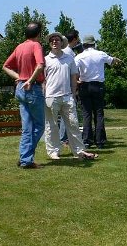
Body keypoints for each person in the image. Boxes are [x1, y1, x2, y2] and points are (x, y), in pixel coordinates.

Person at [43, 32, 97, 160]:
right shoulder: (45, 60)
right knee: (51, 126)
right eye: (52, 40)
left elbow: (74, 77)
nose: (54, 42)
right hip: (50, 97)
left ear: (62, 43)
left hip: (67, 96)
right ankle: (53, 152)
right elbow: (43, 80)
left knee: (73, 125)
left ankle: (79, 151)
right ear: (50, 43)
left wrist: (73, 94)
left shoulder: (69, 58)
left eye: (57, 40)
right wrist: (44, 95)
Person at [2, 22, 46, 169]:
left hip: (20, 89)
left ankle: (24, 158)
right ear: (38, 34)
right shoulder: (36, 45)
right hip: (32, 88)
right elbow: (40, 65)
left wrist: (20, 78)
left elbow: (5, 66)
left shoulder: (19, 47)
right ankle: (26, 158)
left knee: (27, 127)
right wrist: (30, 80)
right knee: (39, 125)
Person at [74, 35, 121, 149]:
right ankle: (100, 141)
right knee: (99, 113)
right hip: (98, 86)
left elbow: (74, 71)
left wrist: (76, 81)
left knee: (86, 114)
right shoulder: (100, 54)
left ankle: (87, 141)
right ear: (94, 44)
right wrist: (117, 60)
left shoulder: (79, 56)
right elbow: (112, 60)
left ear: (84, 45)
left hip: (84, 85)